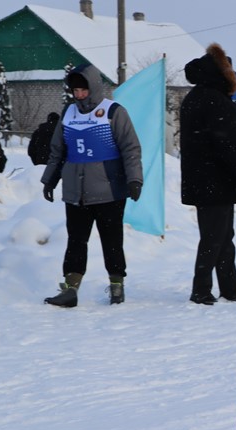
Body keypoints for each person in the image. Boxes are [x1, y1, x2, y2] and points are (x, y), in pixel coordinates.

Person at [41, 63, 143, 308]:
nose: (79, 95)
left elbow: (130, 148)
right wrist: (50, 179)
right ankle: (70, 288)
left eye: (83, 90)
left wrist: (134, 179)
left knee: (112, 241)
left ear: (94, 88)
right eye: (75, 91)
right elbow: (57, 150)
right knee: (76, 241)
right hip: (76, 193)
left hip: (109, 191)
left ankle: (116, 285)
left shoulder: (113, 112)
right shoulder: (68, 113)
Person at [180, 43, 236, 305]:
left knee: (221, 237)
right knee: (215, 237)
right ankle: (202, 289)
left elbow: (218, 134)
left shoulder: (197, 97)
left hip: (205, 179)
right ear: (221, 74)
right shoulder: (215, 100)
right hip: (216, 180)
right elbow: (230, 143)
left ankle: (229, 287)